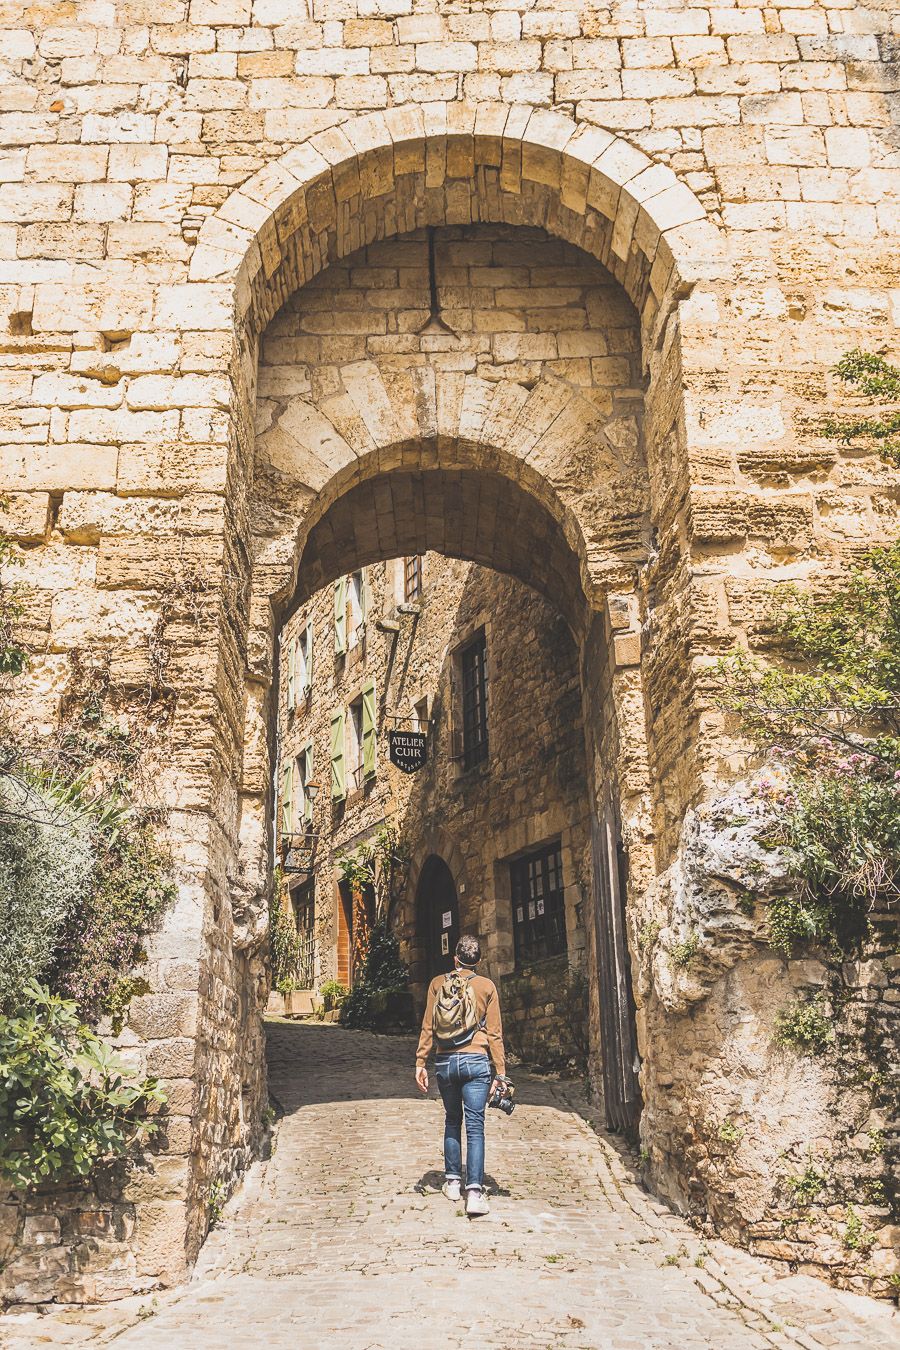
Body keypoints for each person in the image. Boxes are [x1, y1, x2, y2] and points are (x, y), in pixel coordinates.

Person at [415, 934, 506, 1217]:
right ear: (478, 961)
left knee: (452, 1119)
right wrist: (500, 1072)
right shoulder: (486, 986)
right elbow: (494, 1034)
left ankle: (453, 1182)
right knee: (475, 1127)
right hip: (477, 1062)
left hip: (444, 1062)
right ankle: (475, 1192)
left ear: (455, 958)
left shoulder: (436, 984)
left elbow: (428, 1026)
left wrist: (420, 1061)